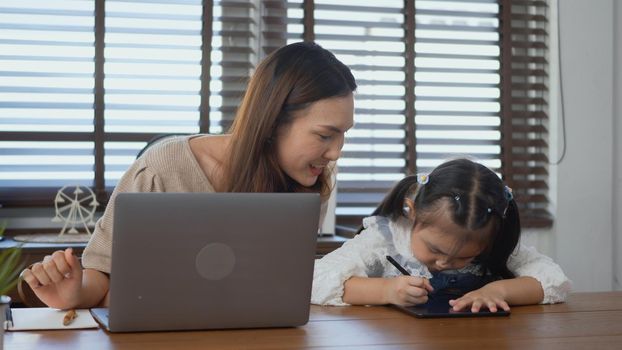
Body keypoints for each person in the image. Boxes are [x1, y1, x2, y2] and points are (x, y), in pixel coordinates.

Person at [21, 41, 357, 309]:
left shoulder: (311, 180)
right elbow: (104, 274)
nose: (335, 152)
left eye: (344, 135)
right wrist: (75, 294)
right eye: (325, 135)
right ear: (272, 122)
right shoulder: (162, 169)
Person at [312, 158, 571, 312]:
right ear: (412, 212)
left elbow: (553, 280)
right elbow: (313, 281)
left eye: (464, 257)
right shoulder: (387, 237)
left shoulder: (493, 241)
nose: (445, 263)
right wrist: (385, 291)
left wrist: (500, 290)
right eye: (435, 250)